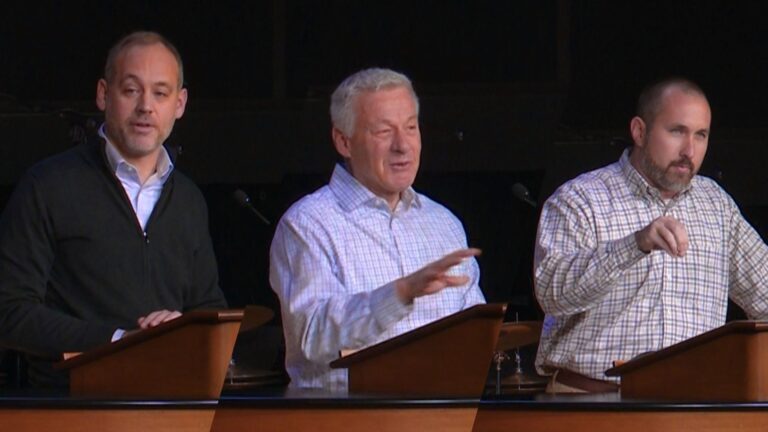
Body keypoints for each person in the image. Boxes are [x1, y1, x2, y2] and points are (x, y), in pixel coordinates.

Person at [0, 31, 227, 386]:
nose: (146, 107)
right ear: (104, 94)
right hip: (74, 407)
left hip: (174, 406)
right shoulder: (48, 186)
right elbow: (9, 311)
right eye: (131, 90)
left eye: (161, 93)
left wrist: (184, 327)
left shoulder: (188, 199)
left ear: (179, 104)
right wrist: (119, 340)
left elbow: (211, 309)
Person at [534, 77, 768, 393]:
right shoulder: (581, 199)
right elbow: (553, 294)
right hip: (591, 402)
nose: (690, 150)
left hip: (694, 406)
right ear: (639, 131)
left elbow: (764, 292)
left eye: (701, 135)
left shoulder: (715, 204)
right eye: (677, 131)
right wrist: (635, 244)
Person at [270, 68, 485, 389]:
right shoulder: (308, 224)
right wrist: (400, 293)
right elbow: (312, 338)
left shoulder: (444, 222)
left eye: (411, 128)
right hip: (349, 419)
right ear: (343, 141)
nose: (403, 145)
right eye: (384, 132)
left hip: (444, 413)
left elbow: (474, 331)